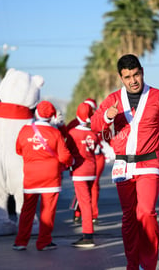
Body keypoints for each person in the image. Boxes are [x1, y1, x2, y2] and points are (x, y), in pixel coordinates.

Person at [91, 54, 159, 270]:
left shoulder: (158, 97)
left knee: (146, 212)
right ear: (121, 77)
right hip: (123, 166)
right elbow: (94, 125)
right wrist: (108, 117)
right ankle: (132, 264)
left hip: (149, 164)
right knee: (129, 218)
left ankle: (148, 265)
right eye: (127, 77)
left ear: (142, 72)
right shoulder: (113, 100)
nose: (133, 80)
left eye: (136, 74)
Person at [13, 101, 72, 251]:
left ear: (36, 113)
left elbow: (18, 150)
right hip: (51, 177)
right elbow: (65, 157)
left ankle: (20, 242)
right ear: (52, 116)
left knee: (27, 210)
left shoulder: (25, 130)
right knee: (48, 211)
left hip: (31, 176)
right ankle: (44, 242)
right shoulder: (55, 133)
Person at [66, 102, 99, 248]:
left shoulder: (72, 133)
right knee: (88, 201)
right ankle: (87, 231)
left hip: (79, 171)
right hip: (92, 169)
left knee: (84, 203)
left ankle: (88, 236)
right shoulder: (93, 133)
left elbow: (68, 151)